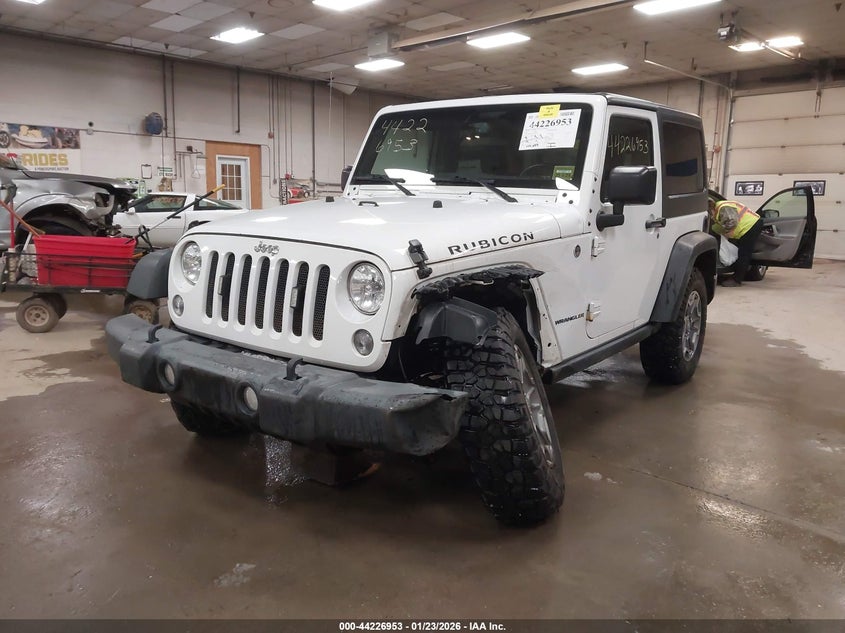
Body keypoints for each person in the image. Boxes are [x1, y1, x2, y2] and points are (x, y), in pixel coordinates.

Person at [708, 197, 764, 286]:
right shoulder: (719, 210)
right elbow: (716, 228)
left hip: (750, 226)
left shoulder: (723, 208)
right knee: (742, 252)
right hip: (750, 224)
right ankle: (739, 274)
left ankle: (737, 280)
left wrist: (727, 233)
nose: (710, 216)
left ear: (711, 208)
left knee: (744, 253)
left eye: (709, 213)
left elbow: (732, 222)